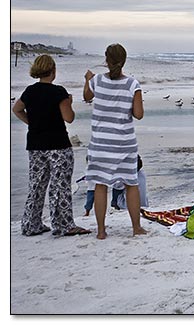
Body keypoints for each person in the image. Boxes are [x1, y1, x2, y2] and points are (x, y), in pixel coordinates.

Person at [12, 54, 90, 236]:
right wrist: (69, 102)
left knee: (36, 185)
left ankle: (31, 224)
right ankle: (63, 225)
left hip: (35, 144)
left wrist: (31, 122)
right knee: (59, 186)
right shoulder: (58, 92)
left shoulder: (30, 91)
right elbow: (69, 118)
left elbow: (16, 109)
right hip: (57, 144)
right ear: (53, 71)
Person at [83, 43, 147, 239]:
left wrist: (87, 80)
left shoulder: (97, 81)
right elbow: (138, 115)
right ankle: (136, 227)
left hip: (100, 143)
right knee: (131, 184)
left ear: (106, 60)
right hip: (124, 143)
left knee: (100, 185)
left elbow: (87, 97)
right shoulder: (132, 84)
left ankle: (101, 231)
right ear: (124, 60)